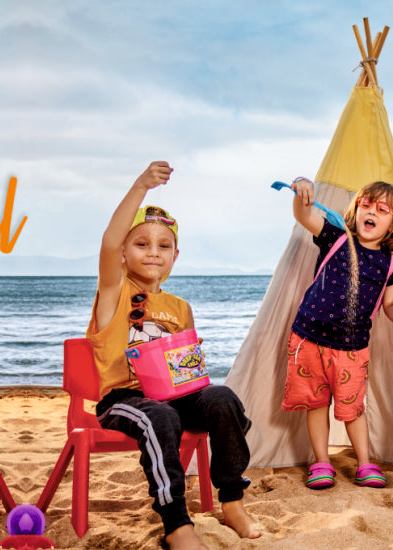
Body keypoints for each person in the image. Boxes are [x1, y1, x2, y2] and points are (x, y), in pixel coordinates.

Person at [87, 161, 261, 549]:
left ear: (175, 256)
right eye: (142, 243)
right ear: (123, 254)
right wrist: (141, 186)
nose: (153, 252)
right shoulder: (114, 292)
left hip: (174, 397)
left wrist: (192, 367)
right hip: (124, 399)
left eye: (163, 246)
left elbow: (184, 369)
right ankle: (177, 524)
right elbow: (109, 242)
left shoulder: (180, 307)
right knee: (161, 417)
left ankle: (232, 501)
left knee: (222, 398)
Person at [282, 177, 393, 489]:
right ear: (355, 210)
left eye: (382, 209)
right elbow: (304, 216)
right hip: (308, 339)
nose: (372, 212)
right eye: (366, 205)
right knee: (315, 403)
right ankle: (322, 462)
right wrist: (301, 192)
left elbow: (389, 306)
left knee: (353, 409)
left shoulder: (391, 264)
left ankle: (364, 463)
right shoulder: (336, 237)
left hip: (352, 348)